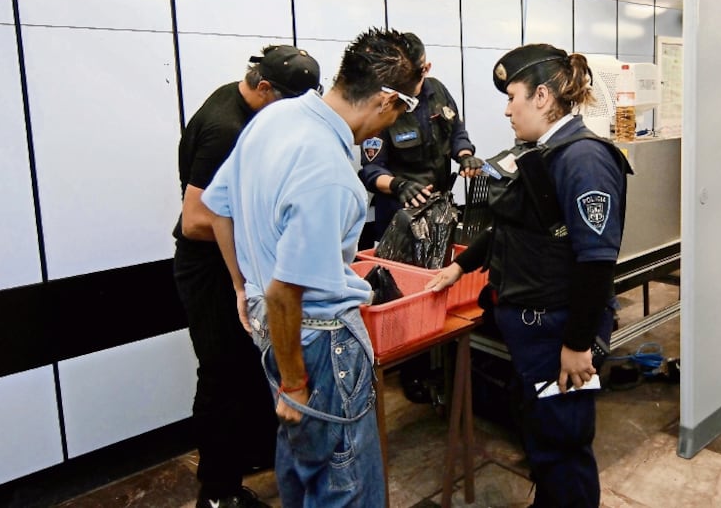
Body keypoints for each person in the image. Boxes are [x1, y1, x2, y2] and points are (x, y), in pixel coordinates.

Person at [202, 28, 423, 508]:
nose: (391, 127)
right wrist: (295, 381)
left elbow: (216, 208)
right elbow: (287, 292)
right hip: (319, 345)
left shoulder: (276, 115)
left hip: (272, 329)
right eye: (401, 111)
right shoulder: (332, 175)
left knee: (301, 464)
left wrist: (242, 286)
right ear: (387, 100)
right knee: (345, 483)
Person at [425, 44, 632, 507]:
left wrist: (578, 345)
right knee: (542, 433)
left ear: (541, 96)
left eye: (512, 96)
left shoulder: (584, 159)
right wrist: (460, 265)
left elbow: (596, 262)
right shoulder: (541, 151)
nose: (506, 109)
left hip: (559, 329)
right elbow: (512, 227)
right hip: (533, 327)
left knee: (564, 440)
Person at [173, 44, 321, 508]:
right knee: (223, 377)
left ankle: (247, 459)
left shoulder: (246, 106)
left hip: (237, 264)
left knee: (249, 373)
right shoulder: (226, 128)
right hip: (211, 271)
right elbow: (195, 219)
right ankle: (216, 494)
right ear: (262, 87)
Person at [359, 32, 483, 243]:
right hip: (399, 215)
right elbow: (372, 168)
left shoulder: (437, 90)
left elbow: (456, 131)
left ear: (426, 68)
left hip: (440, 210)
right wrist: (398, 185)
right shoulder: (385, 103)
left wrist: (464, 155)